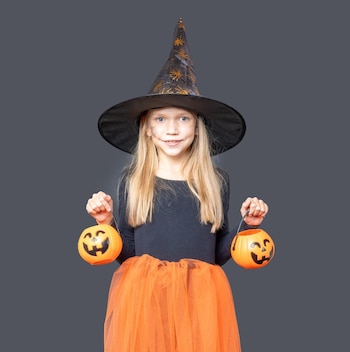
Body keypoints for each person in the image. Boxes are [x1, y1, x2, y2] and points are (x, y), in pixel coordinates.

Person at [84, 18, 268, 352]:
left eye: (183, 118)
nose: (172, 129)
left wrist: (246, 229)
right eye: (161, 119)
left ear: (197, 128)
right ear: (148, 129)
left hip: (201, 298)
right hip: (144, 298)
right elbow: (127, 251)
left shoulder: (215, 182)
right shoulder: (133, 181)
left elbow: (216, 253)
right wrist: (104, 223)